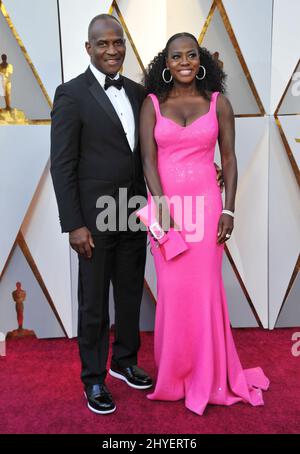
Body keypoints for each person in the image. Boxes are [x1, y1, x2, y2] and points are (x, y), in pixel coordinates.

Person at [140, 32, 269, 415]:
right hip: (167, 212)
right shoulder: (152, 104)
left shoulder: (218, 103)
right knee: (173, 293)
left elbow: (228, 160)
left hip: (208, 209)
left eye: (190, 55)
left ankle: (209, 375)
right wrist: (161, 206)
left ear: (201, 60)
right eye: (176, 56)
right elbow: (147, 160)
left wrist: (229, 211)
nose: (183, 61)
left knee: (206, 292)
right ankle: (175, 376)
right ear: (166, 63)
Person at [50, 14, 154, 415]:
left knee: (129, 293)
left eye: (118, 43)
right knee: (94, 302)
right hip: (93, 218)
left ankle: (125, 361)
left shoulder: (138, 91)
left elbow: (149, 151)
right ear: (88, 49)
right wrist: (73, 223)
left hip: (133, 210)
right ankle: (93, 379)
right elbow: (62, 164)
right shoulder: (70, 94)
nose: (112, 50)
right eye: (103, 44)